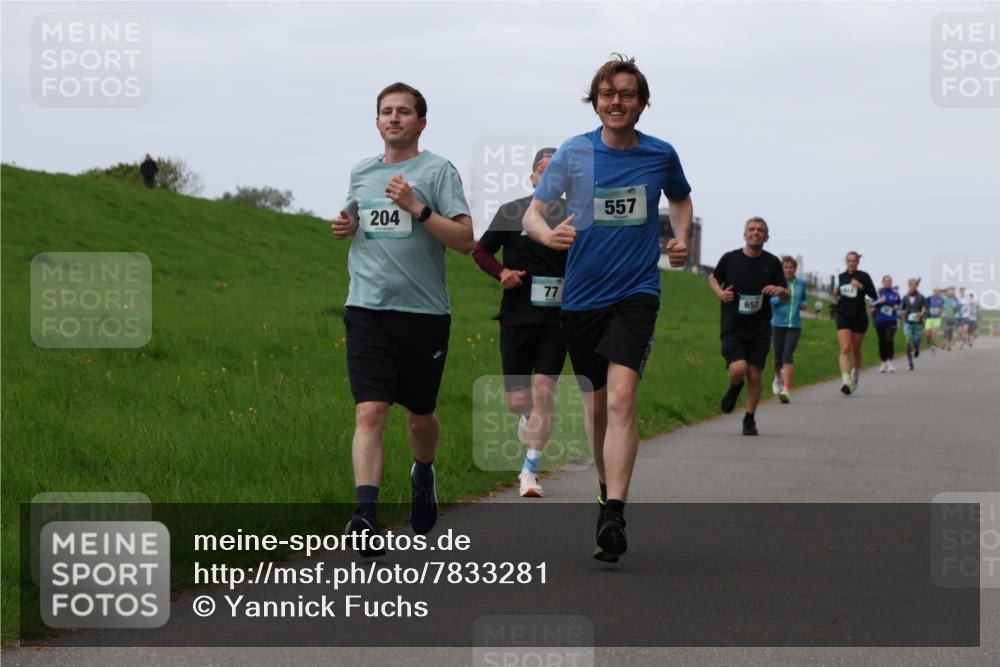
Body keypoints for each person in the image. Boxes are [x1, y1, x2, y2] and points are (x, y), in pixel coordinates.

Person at [523, 53, 693, 562]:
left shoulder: (661, 154)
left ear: (642, 103)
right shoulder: (575, 152)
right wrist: (547, 233)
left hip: (636, 293)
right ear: (595, 101)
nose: (616, 102)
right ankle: (604, 492)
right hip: (581, 298)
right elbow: (535, 210)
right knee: (596, 406)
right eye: (607, 93)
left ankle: (614, 512)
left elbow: (681, 199)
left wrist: (680, 237)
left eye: (626, 94)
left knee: (620, 400)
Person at [331, 82, 474, 557]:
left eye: (404, 112)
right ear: (376, 122)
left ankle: (424, 473)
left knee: (419, 418)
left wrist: (417, 207)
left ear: (421, 122)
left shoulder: (438, 171)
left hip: (424, 314)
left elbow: (464, 239)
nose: (394, 118)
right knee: (370, 411)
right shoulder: (361, 172)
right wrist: (346, 225)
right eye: (386, 112)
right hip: (367, 308)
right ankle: (366, 516)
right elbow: (355, 217)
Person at [472, 147, 567, 497]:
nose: (550, 177)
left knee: (544, 390)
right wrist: (502, 272)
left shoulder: (577, 216)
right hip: (515, 319)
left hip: (557, 321)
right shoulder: (512, 211)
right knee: (518, 402)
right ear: (533, 177)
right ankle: (528, 418)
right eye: (544, 170)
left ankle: (530, 470)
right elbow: (480, 251)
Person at [709, 218, 788, 433]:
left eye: (760, 230)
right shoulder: (730, 258)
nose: (756, 233)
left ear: (766, 237)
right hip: (733, 327)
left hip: (760, 329)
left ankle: (749, 418)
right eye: (751, 230)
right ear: (745, 235)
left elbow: (786, 294)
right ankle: (735, 386)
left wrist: (780, 291)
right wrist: (720, 293)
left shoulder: (772, 263)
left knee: (755, 374)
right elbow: (713, 278)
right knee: (738, 369)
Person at [833, 251, 877, 394]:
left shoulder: (864, 276)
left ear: (857, 262)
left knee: (856, 350)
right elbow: (839, 293)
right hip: (843, 314)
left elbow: (874, 295)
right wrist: (837, 292)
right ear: (846, 262)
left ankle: (856, 372)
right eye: (849, 261)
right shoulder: (842, 276)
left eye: (854, 261)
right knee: (845, 348)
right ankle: (846, 381)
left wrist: (861, 286)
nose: (851, 263)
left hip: (859, 316)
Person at [770, 255, 807, 403]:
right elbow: (771, 302)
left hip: (794, 326)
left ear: (795, 269)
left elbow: (804, 298)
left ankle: (786, 389)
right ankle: (778, 377)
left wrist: (804, 304)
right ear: (782, 268)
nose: (788, 270)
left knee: (787, 356)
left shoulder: (801, 283)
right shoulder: (777, 283)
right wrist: (782, 297)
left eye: (791, 267)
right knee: (778, 359)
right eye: (785, 267)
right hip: (778, 324)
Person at [871, 275, 901, 373]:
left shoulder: (895, 294)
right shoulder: (878, 293)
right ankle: (883, 362)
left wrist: (896, 306)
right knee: (881, 341)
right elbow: (872, 304)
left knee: (889, 339)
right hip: (880, 320)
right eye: (886, 281)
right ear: (883, 282)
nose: (887, 282)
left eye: (889, 281)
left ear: (891, 282)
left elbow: (900, 304)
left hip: (891, 320)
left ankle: (889, 361)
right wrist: (880, 301)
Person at [899, 278, 927, 371]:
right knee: (908, 341)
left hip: (918, 323)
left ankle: (917, 347)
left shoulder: (921, 297)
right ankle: (910, 363)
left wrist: (922, 314)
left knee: (916, 340)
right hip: (908, 322)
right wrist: (903, 312)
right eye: (911, 284)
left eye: (914, 284)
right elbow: (902, 309)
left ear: (917, 286)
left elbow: (925, 308)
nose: (912, 286)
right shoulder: (905, 297)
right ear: (909, 285)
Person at [925, 287, 944, 354]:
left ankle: (933, 347)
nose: (936, 292)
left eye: (938, 291)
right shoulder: (929, 298)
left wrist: (940, 311)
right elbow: (924, 306)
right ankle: (927, 338)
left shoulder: (941, 299)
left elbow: (942, 308)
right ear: (933, 291)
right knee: (927, 333)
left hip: (937, 319)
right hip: (929, 318)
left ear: (939, 292)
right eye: (935, 291)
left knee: (933, 333)